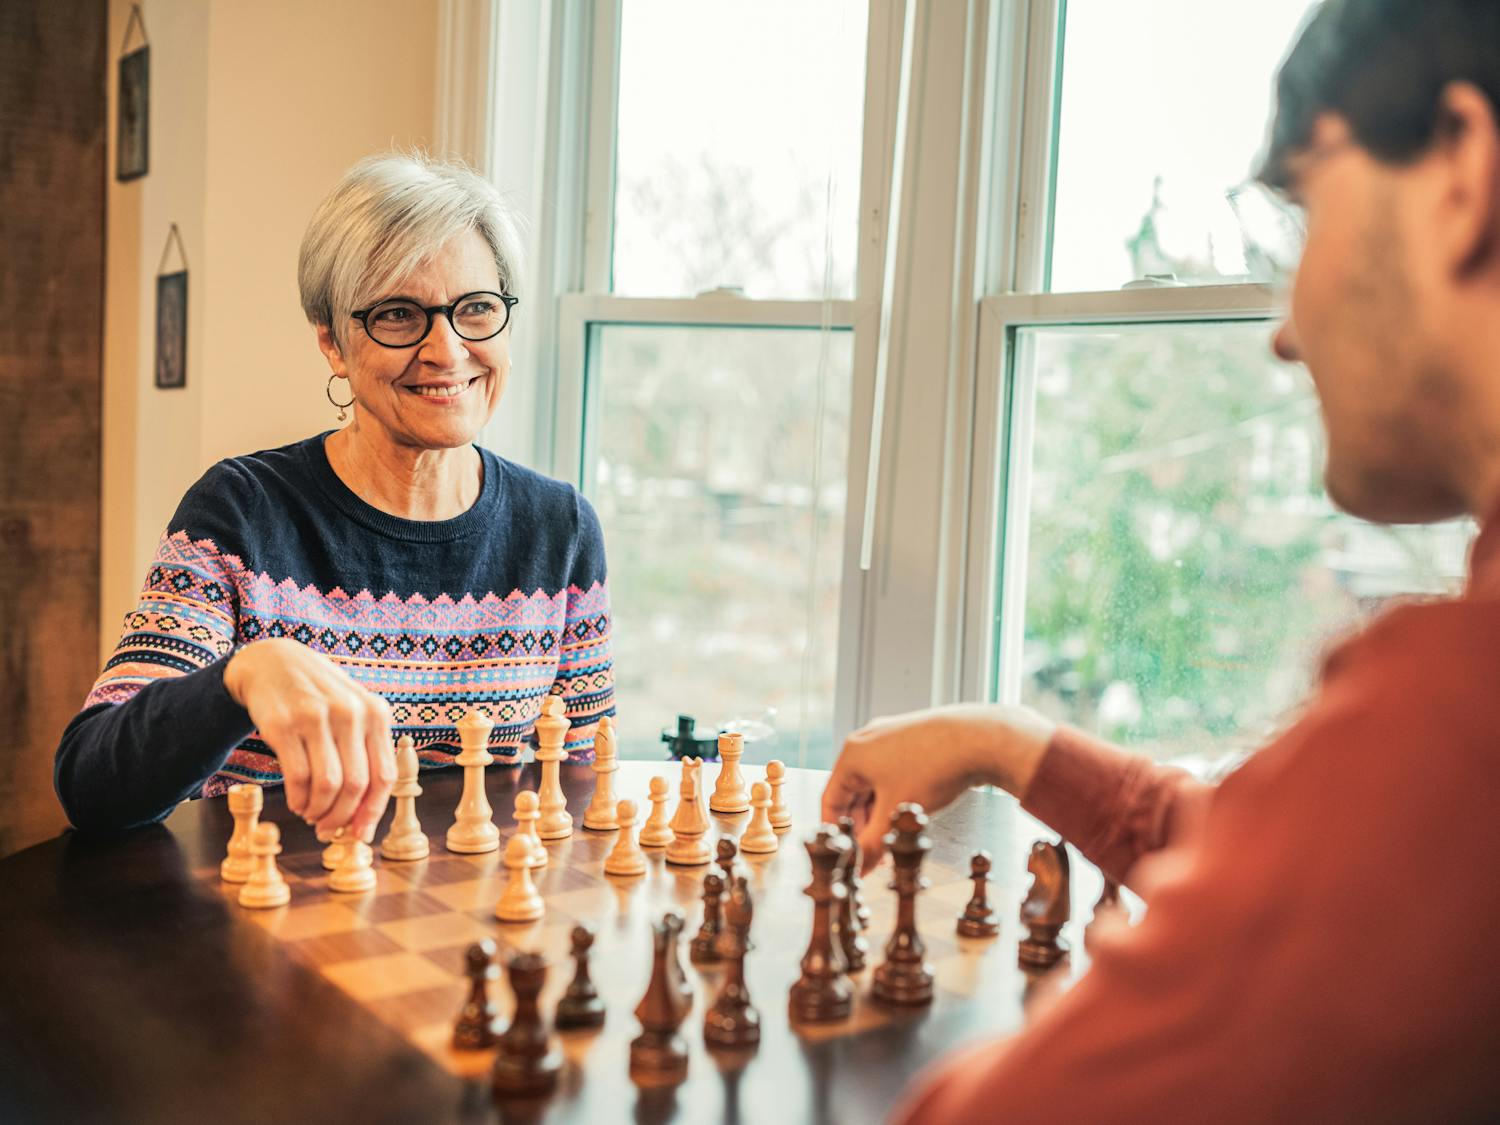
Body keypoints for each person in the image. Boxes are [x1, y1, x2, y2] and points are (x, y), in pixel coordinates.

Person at [823, 2, 1500, 1120]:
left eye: (1302, 215)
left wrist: (1056, 1046)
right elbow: (1333, 890)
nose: (1286, 330)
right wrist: (1013, 742)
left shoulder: (1461, 714)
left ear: (1461, 177)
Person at [56, 154, 614, 841]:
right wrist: (244, 674)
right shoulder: (240, 513)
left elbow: (585, 788)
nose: (447, 350)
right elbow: (90, 782)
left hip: (476, 932)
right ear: (333, 341)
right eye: (399, 315)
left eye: (476, 308)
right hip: (273, 923)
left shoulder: (561, 530)